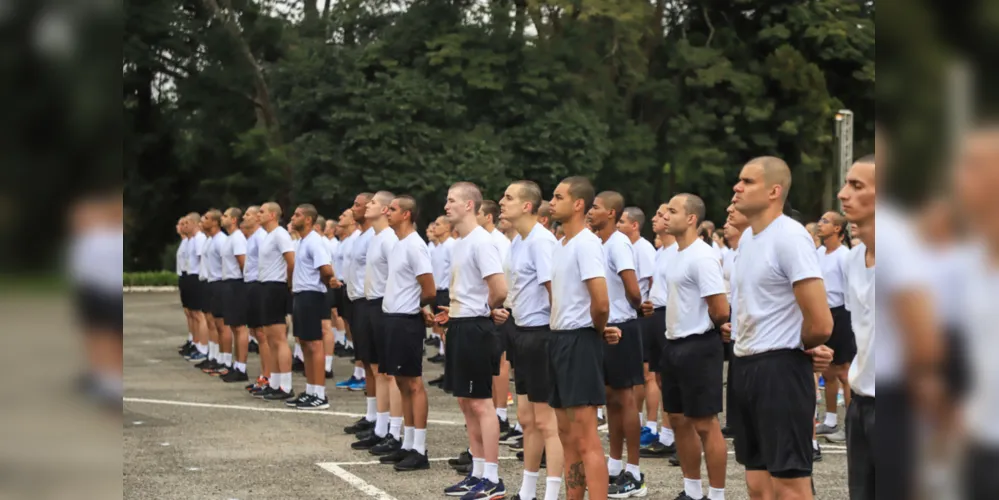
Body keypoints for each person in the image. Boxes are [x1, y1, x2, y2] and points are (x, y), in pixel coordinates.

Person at [728, 156, 834, 500]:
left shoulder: (790, 237)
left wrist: (796, 346)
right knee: (757, 483)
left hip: (779, 369)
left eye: (747, 181)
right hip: (744, 365)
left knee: (789, 483)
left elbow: (820, 322)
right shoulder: (747, 239)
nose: (737, 187)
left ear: (774, 191)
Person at [436, 182, 509, 499]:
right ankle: (477, 472)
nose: (445, 206)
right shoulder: (461, 242)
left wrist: (484, 311)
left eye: (451, 200)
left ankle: (492, 478)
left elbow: (500, 288)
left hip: (475, 329)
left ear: (469, 205)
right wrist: (454, 312)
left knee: (481, 403)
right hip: (460, 324)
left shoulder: (482, 241)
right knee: (466, 402)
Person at [547, 176, 619, 500]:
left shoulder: (587, 243)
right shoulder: (562, 244)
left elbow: (600, 301)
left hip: (579, 341)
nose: (552, 202)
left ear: (578, 204)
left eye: (558, 196)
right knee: (565, 435)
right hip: (559, 339)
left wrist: (599, 330)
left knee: (586, 436)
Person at [660, 194, 730, 500]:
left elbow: (720, 308)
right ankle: (692, 490)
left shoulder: (702, 255)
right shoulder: (676, 252)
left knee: (705, 423)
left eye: (673, 211)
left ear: (691, 219)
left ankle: (716, 495)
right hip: (674, 342)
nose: (665, 216)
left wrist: (712, 328)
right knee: (678, 420)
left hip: (699, 345)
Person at [498, 180, 564, 500]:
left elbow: (555, 294)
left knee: (546, 421)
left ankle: (551, 494)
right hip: (522, 331)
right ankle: (527, 492)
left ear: (527, 206)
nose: (501, 202)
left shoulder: (541, 242)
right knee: (526, 419)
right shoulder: (519, 241)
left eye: (508, 197)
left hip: (542, 334)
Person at [588, 191, 646, 497]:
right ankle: (614, 464)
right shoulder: (599, 242)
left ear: (611, 213)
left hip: (622, 326)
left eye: (596, 207)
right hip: (607, 326)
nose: (590, 211)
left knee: (625, 400)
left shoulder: (620, 242)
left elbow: (632, 288)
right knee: (610, 398)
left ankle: (634, 472)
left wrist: (637, 306)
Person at [379, 195, 436, 471]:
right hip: (393, 318)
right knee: (401, 383)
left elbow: (429, 289)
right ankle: (408, 443)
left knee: (413, 383)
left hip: (405, 320)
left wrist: (419, 307)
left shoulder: (415, 245)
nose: (386, 212)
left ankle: (420, 449)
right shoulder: (399, 245)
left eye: (391, 209)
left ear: (406, 215)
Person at [352, 191, 406, 454]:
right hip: (372, 304)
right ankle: (381, 428)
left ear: (385, 210)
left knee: (389, 373)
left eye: (373, 202)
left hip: (386, 306)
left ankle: (394, 432)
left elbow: (400, 278)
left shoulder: (389, 239)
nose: (368, 206)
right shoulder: (375, 237)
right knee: (375, 369)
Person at [617, 207, 661, 452]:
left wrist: (646, 306)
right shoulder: (626, 247)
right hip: (632, 314)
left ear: (634, 225)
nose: (619, 225)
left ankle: (652, 425)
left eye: (622, 221)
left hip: (642, 314)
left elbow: (652, 281)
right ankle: (640, 420)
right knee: (637, 376)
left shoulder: (643, 249)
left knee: (648, 375)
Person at [282, 204, 334, 409]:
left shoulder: (315, 242)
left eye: (297, 215)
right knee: (304, 344)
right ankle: (311, 390)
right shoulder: (302, 241)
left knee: (314, 345)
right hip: (302, 294)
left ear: (309, 220)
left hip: (312, 294)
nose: (293, 218)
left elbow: (326, 269)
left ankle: (319, 393)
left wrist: (326, 281)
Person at [639, 203, 678, 459]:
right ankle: (666, 434)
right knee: (661, 377)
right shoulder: (661, 251)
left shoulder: (677, 250)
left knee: (671, 378)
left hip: (669, 316)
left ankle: (671, 435)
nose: (656, 218)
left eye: (663, 215)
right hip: (656, 315)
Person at [814, 211, 856, 443]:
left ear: (838, 229)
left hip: (842, 314)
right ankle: (830, 421)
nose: (820, 224)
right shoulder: (819, 253)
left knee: (843, 372)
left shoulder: (845, 256)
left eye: (825, 221)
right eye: (820, 221)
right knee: (827, 371)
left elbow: (851, 289)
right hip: (823, 313)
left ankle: (851, 425)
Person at [344, 193, 382, 434]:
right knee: (367, 362)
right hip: (357, 302)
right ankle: (371, 414)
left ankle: (382, 418)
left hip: (371, 302)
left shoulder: (374, 237)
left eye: (357, 204)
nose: (353, 208)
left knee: (377, 365)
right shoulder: (360, 236)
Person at [253, 202, 297, 400]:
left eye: (261, 212)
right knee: (270, 338)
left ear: (272, 215)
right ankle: (275, 382)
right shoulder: (268, 236)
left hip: (275, 286)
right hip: (265, 286)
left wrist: (287, 283)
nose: (257, 215)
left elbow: (291, 261)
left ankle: (286, 386)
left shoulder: (280, 234)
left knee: (278, 338)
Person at [478, 199, 514, 433]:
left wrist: (493, 307)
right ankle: (494, 409)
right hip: (490, 307)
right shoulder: (485, 240)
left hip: (499, 307)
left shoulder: (497, 242)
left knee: (501, 362)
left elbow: (499, 279)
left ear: (488, 217)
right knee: (492, 362)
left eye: (478, 213)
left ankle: (500, 412)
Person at [242, 206, 272, 394]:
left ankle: (268, 375)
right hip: (251, 284)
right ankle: (264, 374)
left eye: (248, 214)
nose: (245, 217)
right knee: (256, 332)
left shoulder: (261, 236)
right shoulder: (253, 237)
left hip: (258, 284)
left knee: (262, 334)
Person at [218, 207, 249, 382]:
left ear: (234, 220)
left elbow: (243, 264)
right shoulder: (230, 238)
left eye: (226, 216)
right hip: (229, 283)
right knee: (234, 327)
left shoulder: (237, 238)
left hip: (237, 283)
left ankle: (241, 367)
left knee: (239, 327)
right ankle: (236, 365)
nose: (223, 218)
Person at [199, 209, 228, 376]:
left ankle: (223, 359)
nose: (204, 221)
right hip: (210, 282)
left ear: (215, 222)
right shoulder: (210, 240)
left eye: (207, 218)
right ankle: (214, 355)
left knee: (221, 325)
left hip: (219, 282)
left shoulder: (221, 240)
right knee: (211, 322)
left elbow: (227, 263)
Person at [183, 213, 209, 363]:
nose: (184, 227)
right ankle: (196, 343)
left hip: (197, 276)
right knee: (192, 313)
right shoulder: (192, 240)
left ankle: (202, 347)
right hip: (190, 275)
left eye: (187, 223)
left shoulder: (199, 239)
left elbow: (201, 260)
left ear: (194, 223)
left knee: (200, 315)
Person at [429, 215, 454, 367]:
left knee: (448, 330)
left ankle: (449, 363)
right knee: (441, 329)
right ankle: (443, 355)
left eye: (437, 224)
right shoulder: (439, 247)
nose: (434, 228)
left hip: (447, 292)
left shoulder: (451, 246)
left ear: (446, 227)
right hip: (438, 291)